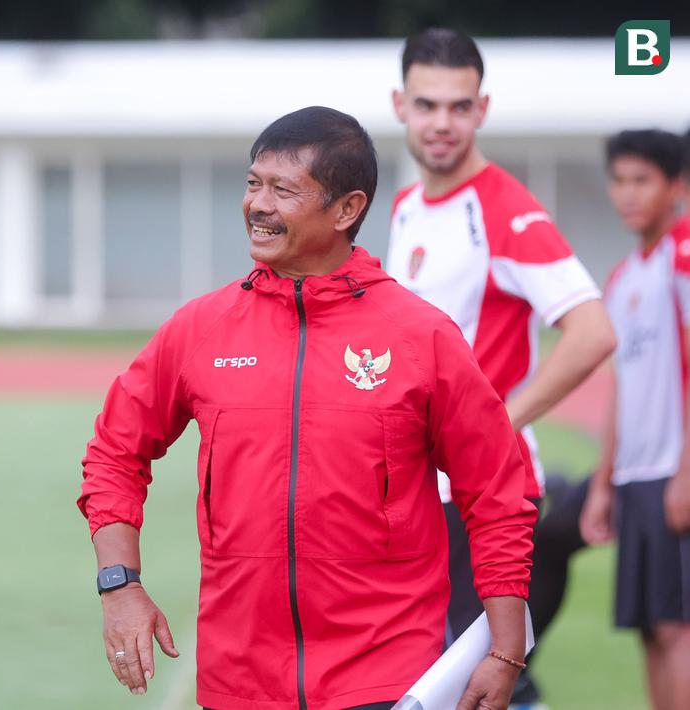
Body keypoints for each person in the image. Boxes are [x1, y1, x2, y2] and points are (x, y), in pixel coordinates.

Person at [78, 106, 538, 710]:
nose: (258, 205)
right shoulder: (201, 329)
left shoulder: (420, 336)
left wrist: (506, 650)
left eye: (284, 189)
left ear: (347, 209)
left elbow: (496, 491)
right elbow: (114, 451)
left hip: (386, 678)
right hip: (239, 682)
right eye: (253, 183)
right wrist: (120, 586)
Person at [385, 28, 616, 706]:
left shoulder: (504, 209)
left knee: (481, 686)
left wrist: (493, 423)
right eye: (427, 105)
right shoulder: (404, 207)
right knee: (437, 677)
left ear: (481, 109)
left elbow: (592, 332)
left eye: (459, 106)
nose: (442, 122)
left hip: (484, 494)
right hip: (423, 493)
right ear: (399, 105)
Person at [581, 129, 690, 710]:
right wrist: (604, 484)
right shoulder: (622, 277)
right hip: (635, 477)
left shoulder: (684, 253)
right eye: (619, 180)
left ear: (677, 186)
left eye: (642, 180)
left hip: (675, 469)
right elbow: (621, 390)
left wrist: (687, 471)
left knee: (678, 628)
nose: (628, 193)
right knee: (650, 627)